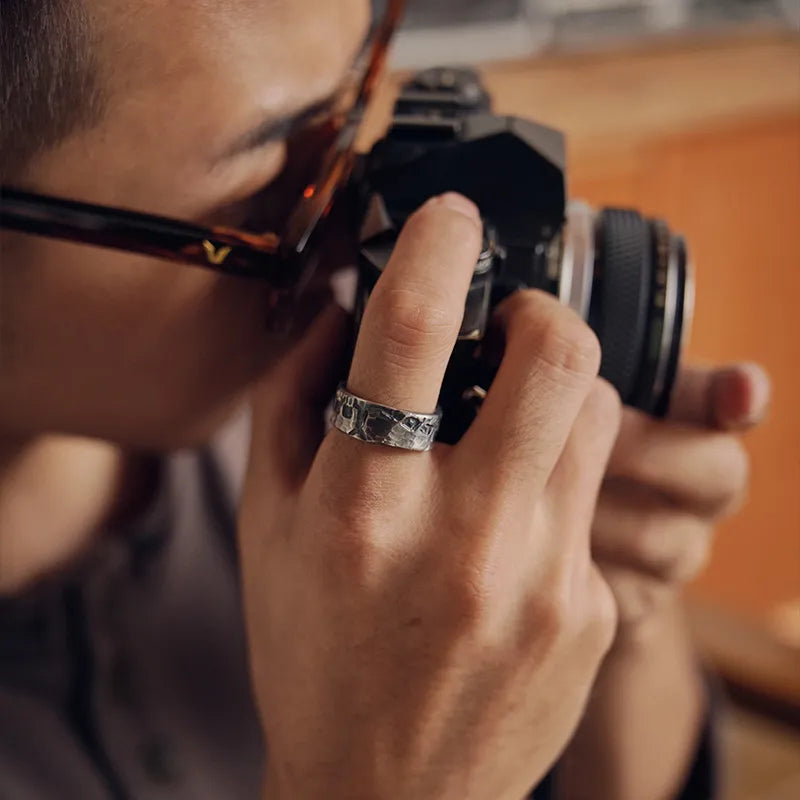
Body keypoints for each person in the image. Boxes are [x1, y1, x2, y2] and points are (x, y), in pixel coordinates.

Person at [0, 1, 769, 799]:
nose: (351, 239)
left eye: (357, 114)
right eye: (274, 202)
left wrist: (603, 607)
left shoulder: (330, 422)